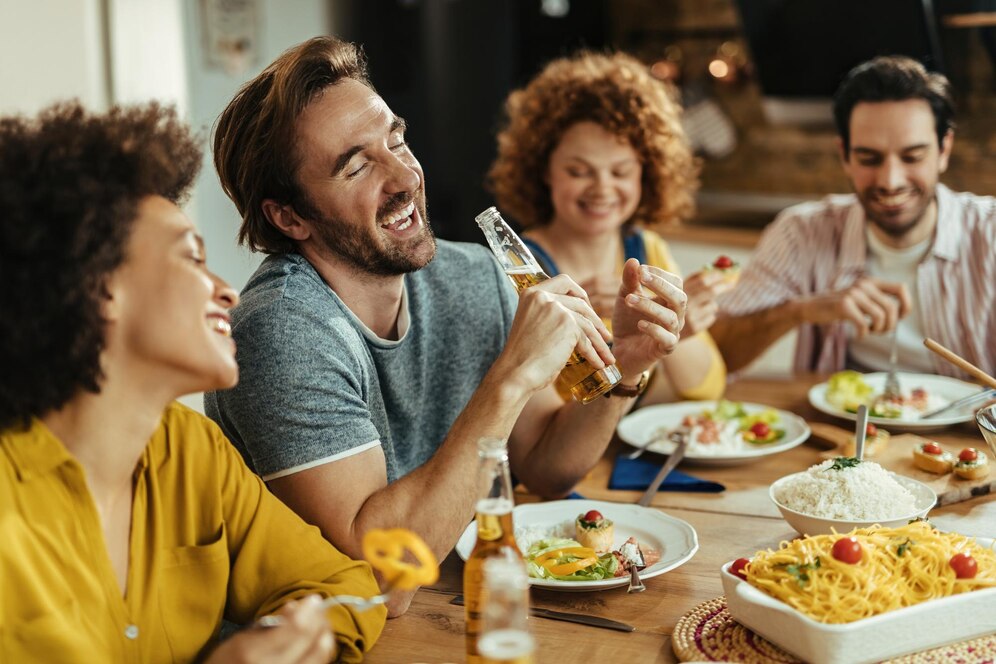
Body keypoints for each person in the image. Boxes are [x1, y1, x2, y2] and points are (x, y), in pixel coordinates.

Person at [205, 36, 686, 615]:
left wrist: (623, 366)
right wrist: (509, 378)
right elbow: (379, 578)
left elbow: (545, 466)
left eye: (397, 141)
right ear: (290, 217)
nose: (404, 177)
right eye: (356, 165)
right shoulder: (279, 333)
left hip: (453, 606)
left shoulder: (475, 276)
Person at [0, 101, 385, 663]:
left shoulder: (194, 451)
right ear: (100, 287)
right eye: (190, 258)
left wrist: (297, 639)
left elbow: (347, 586)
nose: (227, 290)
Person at [713, 55, 996, 378]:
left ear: (944, 150)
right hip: (844, 428)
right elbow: (716, 355)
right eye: (869, 158)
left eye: (912, 156)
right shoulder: (801, 232)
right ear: (844, 156)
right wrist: (802, 309)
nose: (891, 180)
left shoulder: (990, 232)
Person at [487, 51, 728, 405]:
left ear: (646, 174)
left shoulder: (649, 249)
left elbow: (708, 389)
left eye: (620, 172)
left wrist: (674, 333)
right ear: (543, 171)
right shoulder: (514, 272)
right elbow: (539, 426)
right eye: (578, 171)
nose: (602, 188)